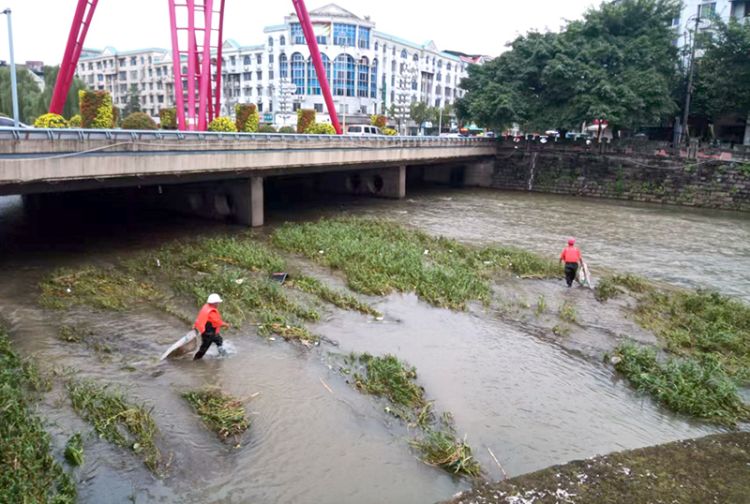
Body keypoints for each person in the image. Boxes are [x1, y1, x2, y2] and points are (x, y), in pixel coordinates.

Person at [193, 293, 229, 360]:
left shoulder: (206, 307)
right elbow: (218, 322)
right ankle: (196, 359)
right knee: (204, 348)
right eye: (217, 303)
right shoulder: (211, 312)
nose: (218, 304)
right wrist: (226, 325)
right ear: (214, 303)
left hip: (208, 331)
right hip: (208, 334)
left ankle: (222, 353)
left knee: (219, 339)